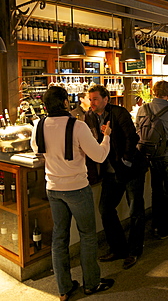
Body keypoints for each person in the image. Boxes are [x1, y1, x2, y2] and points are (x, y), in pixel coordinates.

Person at [30, 86, 114, 300]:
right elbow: (99, 156)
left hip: (53, 189)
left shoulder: (38, 125)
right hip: (77, 188)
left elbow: (36, 150)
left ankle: (64, 288)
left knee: (59, 237)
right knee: (87, 235)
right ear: (66, 103)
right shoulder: (77, 126)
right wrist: (106, 137)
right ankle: (91, 284)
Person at [85, 85, 148, 270]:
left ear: (106, 99)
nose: (92, 103)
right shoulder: (89, 116)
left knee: (135, 210)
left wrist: (126, 160)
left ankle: (134, 251)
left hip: (131, 168)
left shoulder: (119, 113)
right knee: (105, 209)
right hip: (110, 170)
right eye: (90, 99)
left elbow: (132, 138)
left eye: (95, 99)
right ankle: (118, 248)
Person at [136, 80, 168, 239]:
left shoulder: (143, 109)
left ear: (153, 92)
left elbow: (137, 131)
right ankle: (165, 229)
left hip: (151, 156)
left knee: (156, 191)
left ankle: (155, 226)